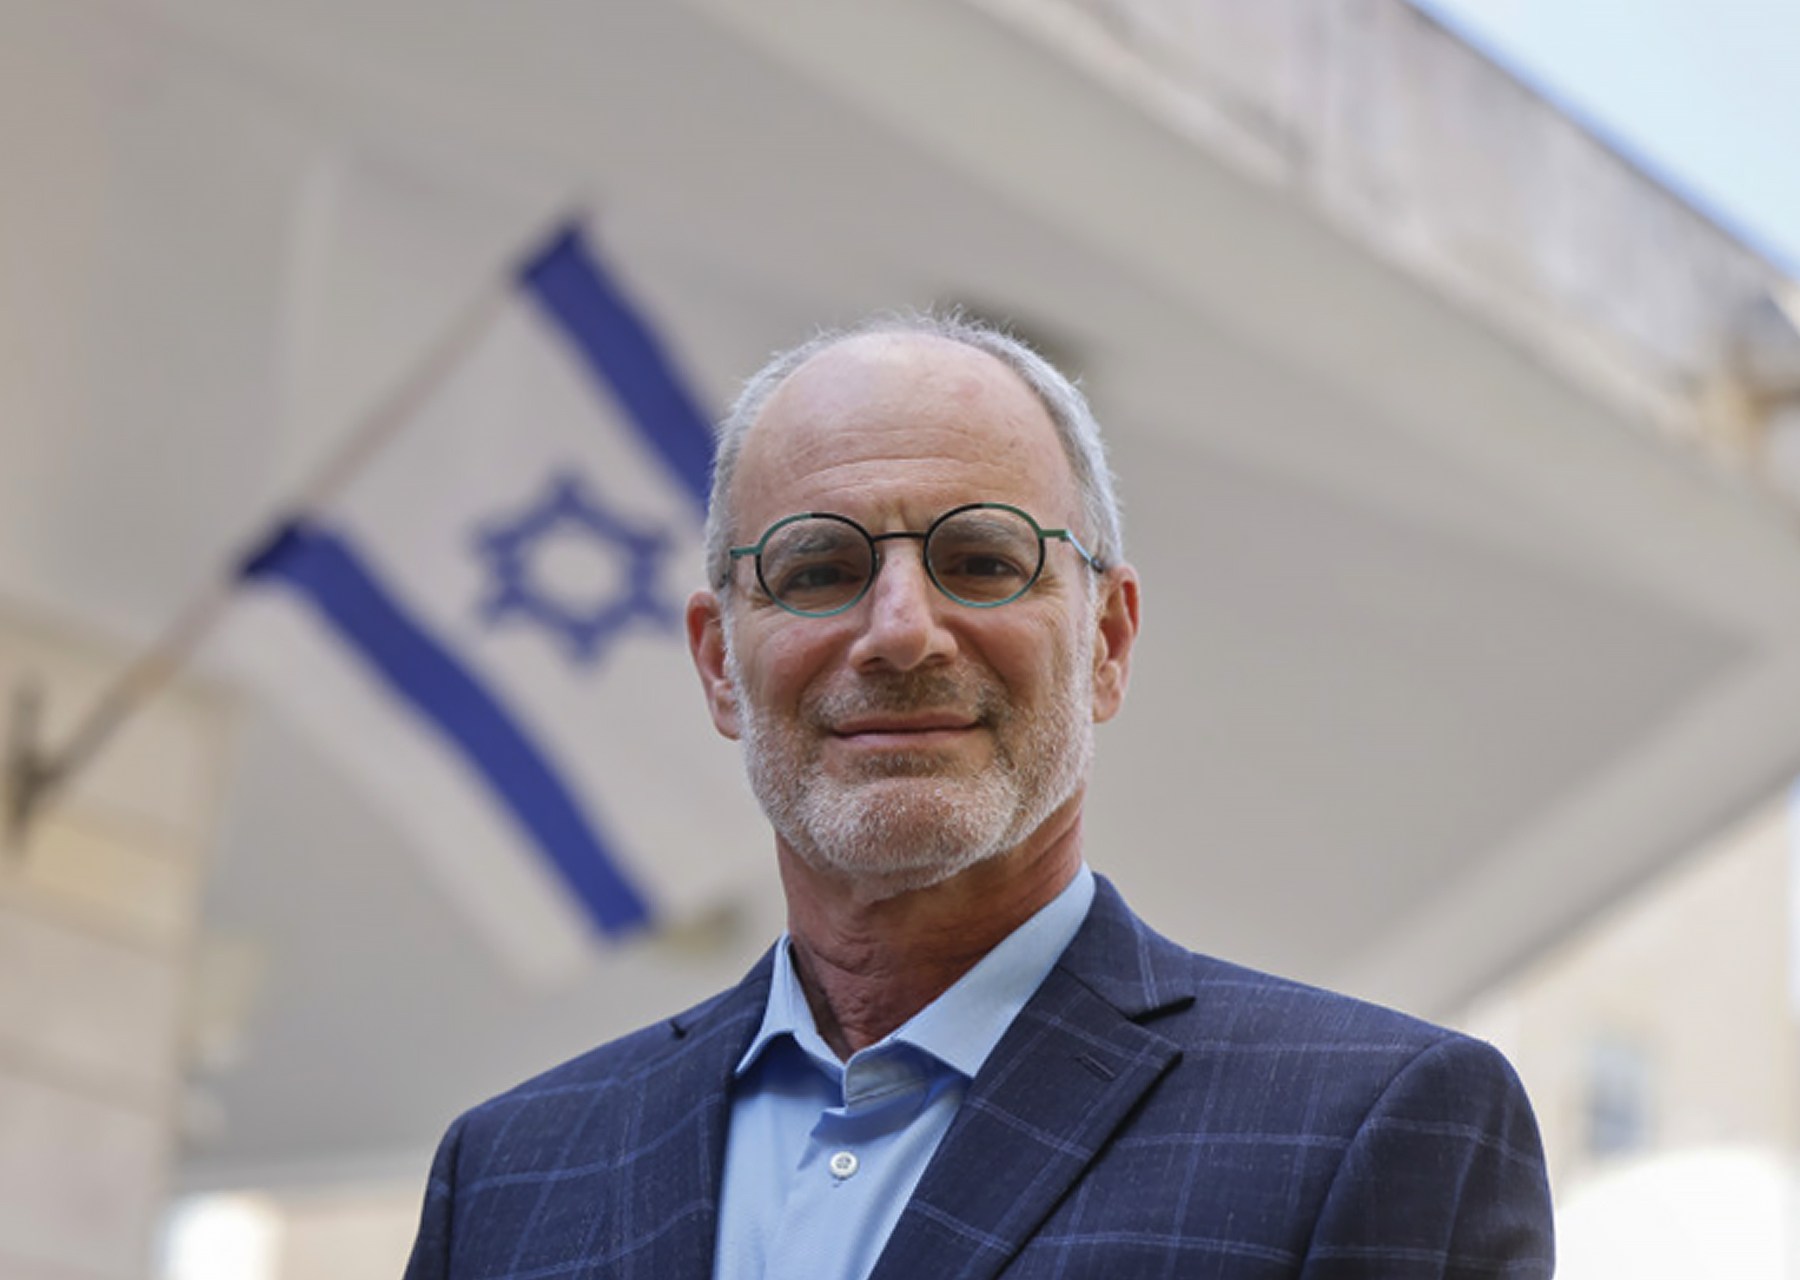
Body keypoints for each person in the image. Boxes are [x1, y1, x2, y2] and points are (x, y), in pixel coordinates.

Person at [403, 314, 1555, 1279]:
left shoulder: (1370, 1123)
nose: (902, 630)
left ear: (1107, 640)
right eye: (820, 569)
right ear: (717, 663)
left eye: (984, 561)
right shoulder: (507, 1177)